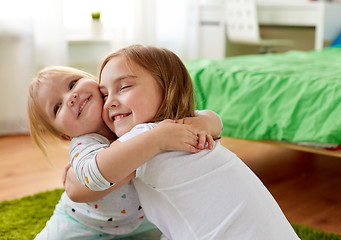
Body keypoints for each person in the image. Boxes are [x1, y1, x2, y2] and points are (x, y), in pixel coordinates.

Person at [67, 45, 300, 240]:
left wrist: (78, 165)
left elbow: (93, 177)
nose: (110, 103)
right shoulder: (184, 129)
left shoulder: (148, 137)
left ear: (168, 89)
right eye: (105, 94)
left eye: (125, 87)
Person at [27, 66, 222, 239]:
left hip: (144, 222)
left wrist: (199, 124)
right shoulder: (83, 145)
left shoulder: (129, 113)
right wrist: (157, 140)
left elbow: (212, 120)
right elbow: (95, 174)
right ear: (65, 136)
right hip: (83, 226)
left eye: (72, 84)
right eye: (57, 107)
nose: (70, 97)